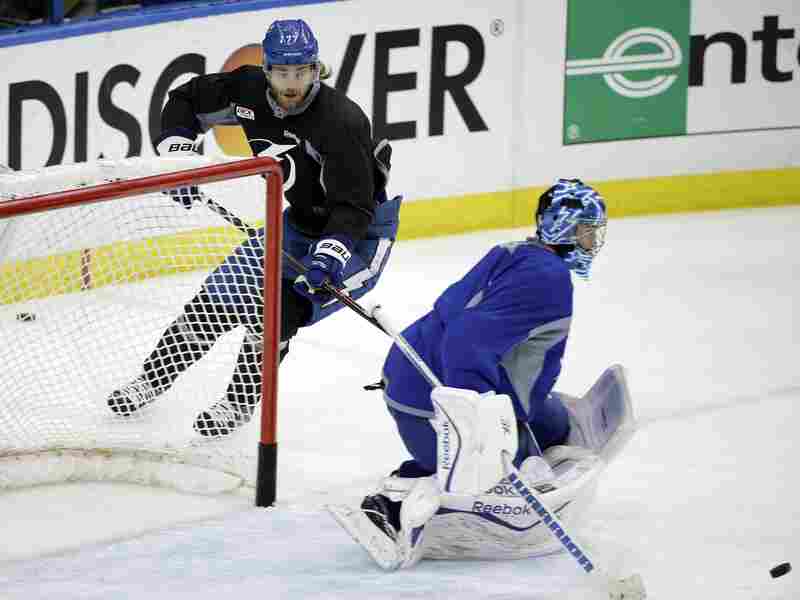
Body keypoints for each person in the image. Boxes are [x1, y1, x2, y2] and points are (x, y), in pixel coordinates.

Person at [106, 18, 401, 437]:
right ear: (266, 69)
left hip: (360, 239)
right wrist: (180, 164)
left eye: (301, 71)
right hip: (295, 226)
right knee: (212, 304)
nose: (292, 82)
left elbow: (353, 208)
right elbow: (186, 100)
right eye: (282, 72)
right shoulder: (246, 91)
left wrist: (328, 256)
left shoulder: (341, 121)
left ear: (316, 69)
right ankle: (149, 382)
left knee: (277, 315)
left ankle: (237, 403)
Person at [330, 179, 634, 570]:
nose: (593, 241)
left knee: (554, 421)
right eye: (586, 230)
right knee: (514, 469)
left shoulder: (515, 252)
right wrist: (478, 422)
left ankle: (476, 455)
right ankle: (396, 503)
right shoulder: (549, 279)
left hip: (414, 377)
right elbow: (464, 343)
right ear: (564, 228)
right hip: (434, 404)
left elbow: (461, 324)